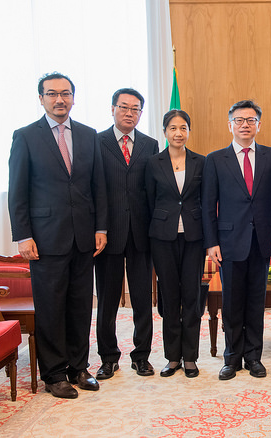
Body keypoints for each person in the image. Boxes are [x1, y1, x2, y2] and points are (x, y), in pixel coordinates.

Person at [8, 72, 108, 399]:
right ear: (41, 99)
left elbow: (99, 188)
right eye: (52, 94)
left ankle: (79, 368)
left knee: (81, 305)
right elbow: (17, 192)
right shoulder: (25, 137)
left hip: (83, 237)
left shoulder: (89, 135)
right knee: (51, 308)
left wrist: (100, 227)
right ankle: (53, 374)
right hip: (45, 238)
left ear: (74, 98)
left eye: (65, 93)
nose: (59, 99)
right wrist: (23, 235)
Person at [203, 100, 271, 380]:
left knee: (255, 303)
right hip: (228, 242)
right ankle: (231, 358)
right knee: (232, 303)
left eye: (250, 120)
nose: (245, 125)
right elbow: (207, 204)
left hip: (261, 240)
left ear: (259, 125)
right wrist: (211, 242)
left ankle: (254, 357)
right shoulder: (215, 159)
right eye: (239, 120)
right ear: (230, 125)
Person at [94, 88, 159, 380]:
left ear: (141, 114)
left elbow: (153, 189)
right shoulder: (96, 142)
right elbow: (93, 190)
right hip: (107, 234)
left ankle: (141, 356)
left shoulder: (150, 144)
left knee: (143, 298)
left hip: (141, 233)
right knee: (107, 299)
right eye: (124, 107)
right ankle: (108, 358)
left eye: (135, 109)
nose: (129, 113)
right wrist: (99, 228)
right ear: (112, 109)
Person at [145, 110, 206, 378]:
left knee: (191, 296)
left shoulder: (201, 162)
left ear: (189, 131)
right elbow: (148, 199)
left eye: (183, 128)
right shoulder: (153, 163)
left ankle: (190, 357)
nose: (178, 133)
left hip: (194, 236)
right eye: (172, 128)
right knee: (169, 297)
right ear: (165, 131)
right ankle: (172, 357)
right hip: (162, 237)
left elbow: (206, 199)